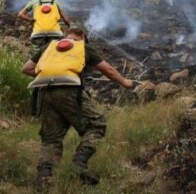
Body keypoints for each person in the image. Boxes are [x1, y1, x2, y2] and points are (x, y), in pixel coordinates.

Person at [21, 27, 136, 187]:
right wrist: (125, 82)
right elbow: (108, 70)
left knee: (51, 138)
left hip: (45, 93)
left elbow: (26, 68)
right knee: (96, 125)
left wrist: (47, 76)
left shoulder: (48, 47)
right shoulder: (83, 46)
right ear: (82, 37)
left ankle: (44, 178)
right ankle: (79, 163)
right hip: (70, 92)